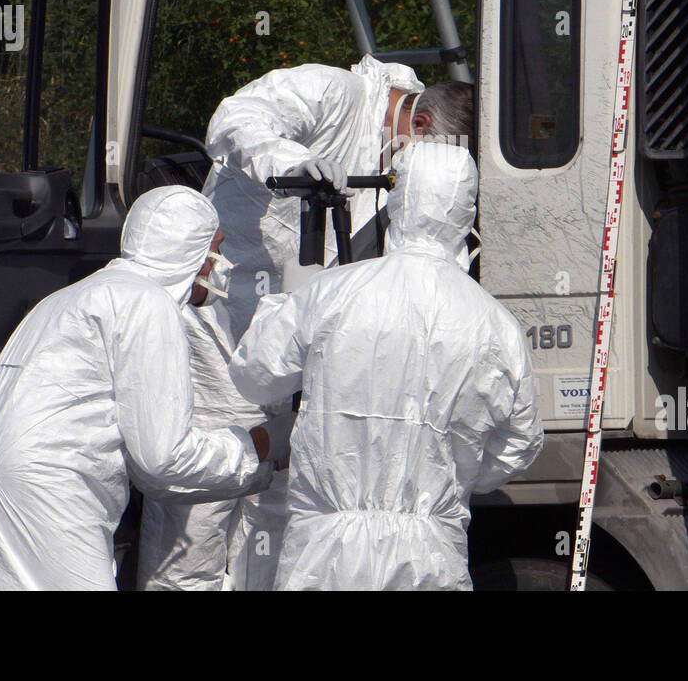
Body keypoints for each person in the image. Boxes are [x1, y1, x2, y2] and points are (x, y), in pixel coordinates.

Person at [201, 56, 474, 588]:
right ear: (418, 126)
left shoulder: (397, 160)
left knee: (281, 501)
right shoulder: (335, 94)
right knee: (206, 506)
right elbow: (235, 116)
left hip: (296, 336)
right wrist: (288, 160)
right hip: (224, 313)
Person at [228, 142, 544, 590]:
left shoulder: (332, 293)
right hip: (430, 554)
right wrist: (460, 475)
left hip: (324, 555)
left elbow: (252, 377)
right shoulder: (496, 325)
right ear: (466, 212)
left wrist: (287, 299)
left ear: (395, 201)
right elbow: (521, 443)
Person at [0, 186, 277, 591]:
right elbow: (163, 462)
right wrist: (260, 449)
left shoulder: (75, 296)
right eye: (215, 250)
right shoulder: (147, 302)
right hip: (48, 488)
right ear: (189, 251)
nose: (219, 267)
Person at [134, 235, 291, 590]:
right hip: (207, 386)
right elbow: (167, 467)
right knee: (189, 541)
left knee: (269, 542)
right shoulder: (196, 232)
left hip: (277, 385)